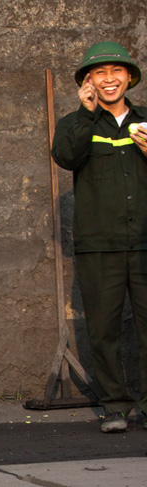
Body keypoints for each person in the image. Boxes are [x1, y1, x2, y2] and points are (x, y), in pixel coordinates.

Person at [51, 42, 147, 434]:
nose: (109, 79)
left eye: (116, 71)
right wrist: (86, 112)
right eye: (100, 73)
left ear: (129, 78)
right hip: (98, 246)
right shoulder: (78, 124)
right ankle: (115, 406)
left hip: (144, 242)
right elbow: (66, 157)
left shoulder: (145, 121)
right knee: (103, 329)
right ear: (87, 82)